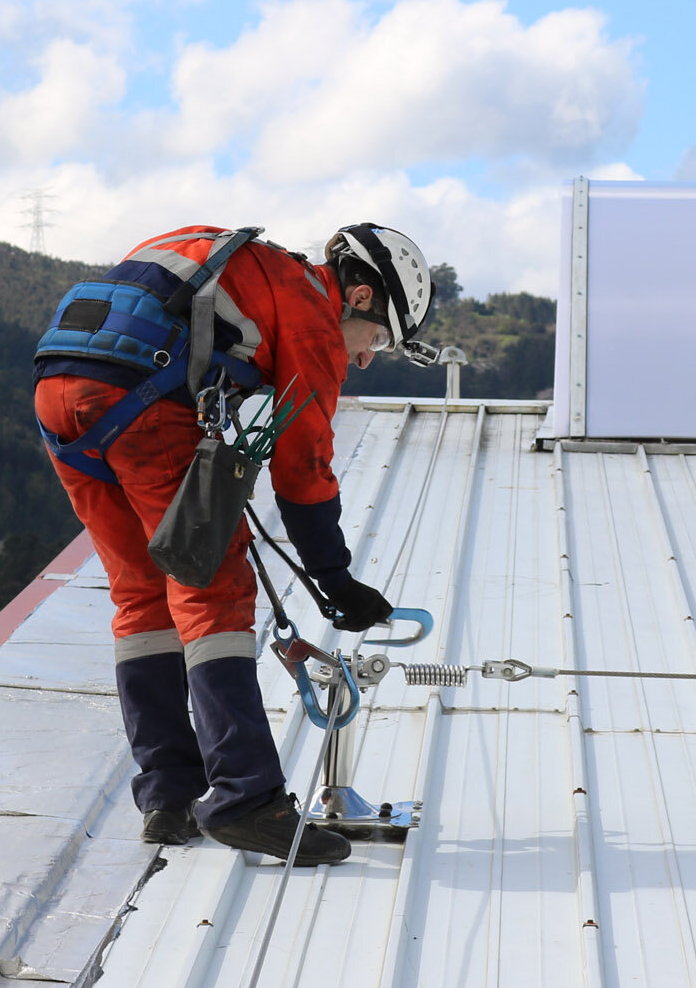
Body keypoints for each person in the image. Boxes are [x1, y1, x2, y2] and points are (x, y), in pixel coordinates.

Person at [32, 223, 438, 866]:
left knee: (142, 593)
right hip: (143, 402)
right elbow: (303, 463)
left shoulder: (232, 256)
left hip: (59, 399)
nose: (364, 357)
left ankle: (169, 795)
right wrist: (335, 579)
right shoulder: (308, 306)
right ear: (359, 296)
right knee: (213, 589)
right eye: (379, 339)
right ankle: (249, 802)